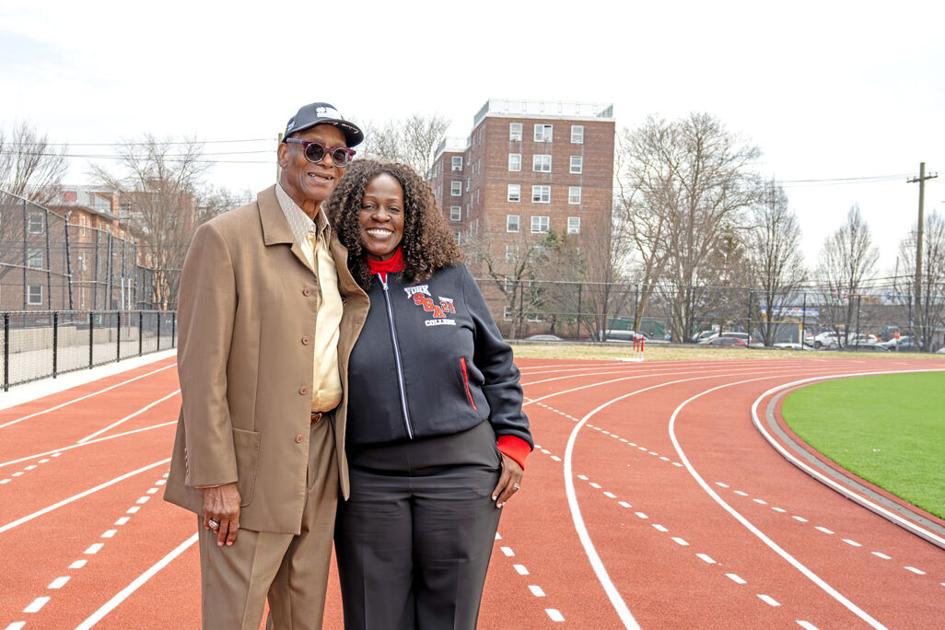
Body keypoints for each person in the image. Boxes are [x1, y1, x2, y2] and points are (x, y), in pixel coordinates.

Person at [163, 102, 369, 630]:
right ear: (283, 153)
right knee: (234, 617)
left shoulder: (334, 245)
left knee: (303, 617)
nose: (326, 163)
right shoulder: (224, 238)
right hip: (250, 467)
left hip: (320, 455)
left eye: (339, 155)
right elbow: (201, 371)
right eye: (314, 149)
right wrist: (216, 479)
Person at [326, 160, 534, 630]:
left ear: (411, 215)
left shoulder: (449, 277)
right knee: (373, 616)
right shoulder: (334, 283)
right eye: (367, 206)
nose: (380, 217)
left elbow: (497, 361)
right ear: (348, 214)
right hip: (369, 478)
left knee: (450, 615)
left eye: (393, 208)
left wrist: (514, 442)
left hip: (461, 472)